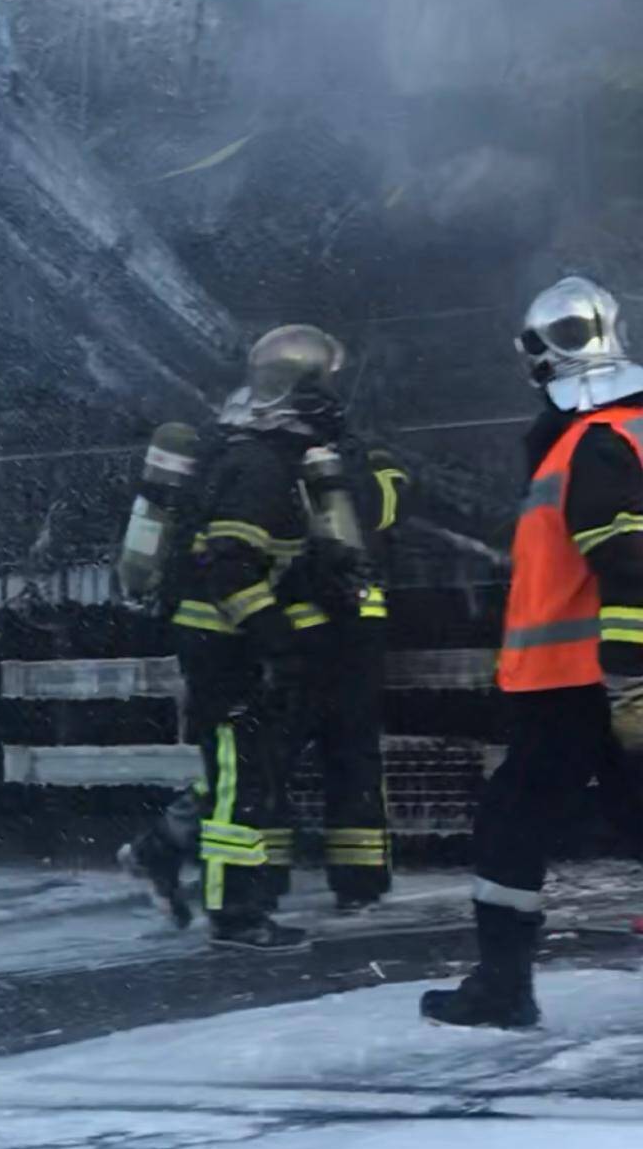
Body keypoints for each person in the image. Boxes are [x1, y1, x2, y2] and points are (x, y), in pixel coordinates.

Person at [420, 274, 643, 1029]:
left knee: (511, 819)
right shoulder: (627, 431)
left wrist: (628, 677)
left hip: (576, 680)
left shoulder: (591, 442)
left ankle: (502, 984)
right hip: (589, 678)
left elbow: (625, 556)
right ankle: (499, 982)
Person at [120, 324, 372, 952]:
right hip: (227, 650)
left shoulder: (266, 459)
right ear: (292, 396)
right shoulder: (259, 466)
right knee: (242, 781)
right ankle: (235, 915)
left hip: (229, 644)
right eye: (319, 392)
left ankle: (161, 850)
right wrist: (275, 640)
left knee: (243, 771)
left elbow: (264, 558)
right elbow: (228, 562)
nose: (330, 407)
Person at [271, 437, 410, 914]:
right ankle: (359, 883)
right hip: (361, 631)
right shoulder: (376, 462)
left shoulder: (287, 462)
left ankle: (175, 847)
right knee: (353, 760)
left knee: (267, 760)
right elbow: (390, 527)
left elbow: (288, 552)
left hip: (310, 635)